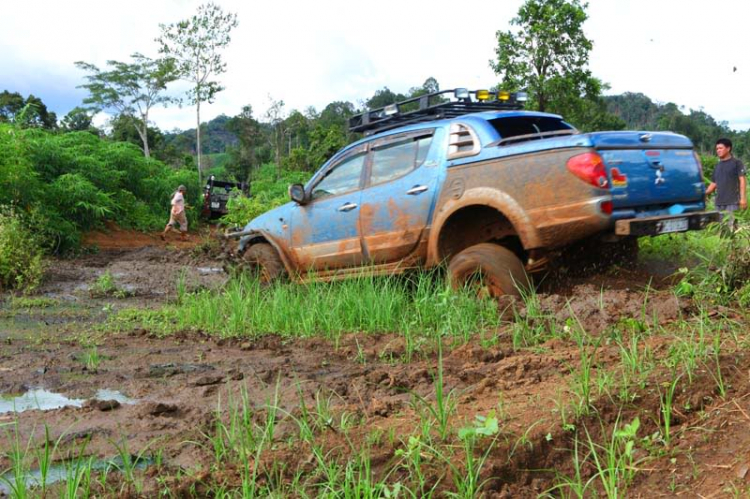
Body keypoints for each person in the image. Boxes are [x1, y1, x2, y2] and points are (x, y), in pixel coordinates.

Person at [705, 138, 746, 227]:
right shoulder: (717, 166)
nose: (718, 151)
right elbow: (713, 184)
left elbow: (742, 180)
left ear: (728, 148)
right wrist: (703, 193)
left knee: (731, 229)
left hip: (732, 202)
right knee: (720, 229)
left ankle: (733, 241)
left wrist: (743, 199)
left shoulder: (737, 163)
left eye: (720, 148)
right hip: (719, 203)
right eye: (717, 149)